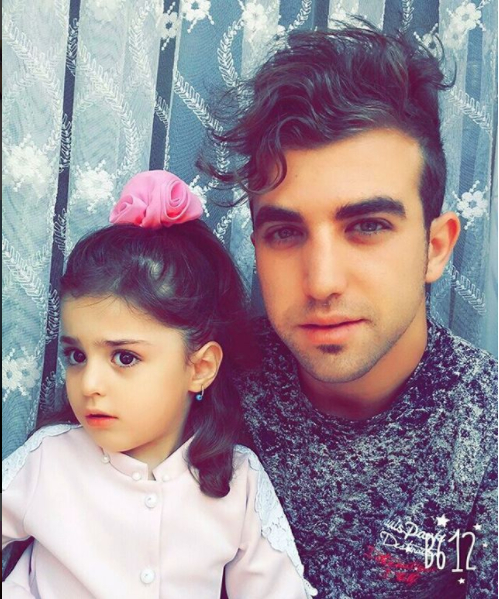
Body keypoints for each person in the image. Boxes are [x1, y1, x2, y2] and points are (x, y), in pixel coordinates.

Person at [199, 23, 498, 599]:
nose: (322, 282)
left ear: (435, 247)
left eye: (367, 226)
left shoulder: (484, 434)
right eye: (285, 233)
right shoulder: (206, 385)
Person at [2, 171, 316, 599]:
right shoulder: (49, 460)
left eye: (125, 357)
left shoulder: (236, 482)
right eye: (76, 356)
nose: (89, 383)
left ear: (200, 367)